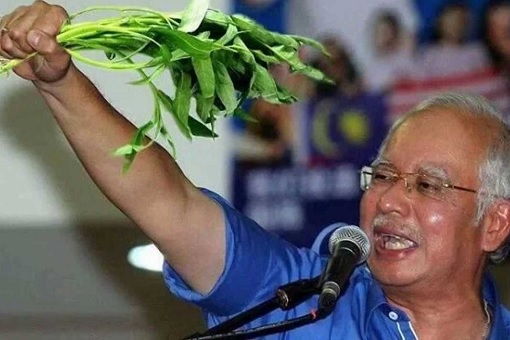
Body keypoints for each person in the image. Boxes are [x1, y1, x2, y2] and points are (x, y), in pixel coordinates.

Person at [1, 2, 509, 339]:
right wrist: (62, 83)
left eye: (427, 185)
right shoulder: (302, 306)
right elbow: (168, 204)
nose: (390, 202)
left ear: (495, 222)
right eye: (380, 176)